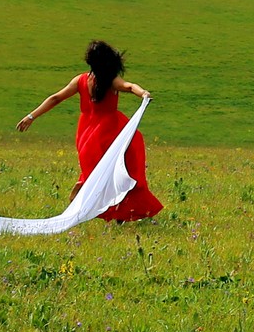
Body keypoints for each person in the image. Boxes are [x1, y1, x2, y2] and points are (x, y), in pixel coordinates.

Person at [15, 40, 164, 223]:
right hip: (110, 129)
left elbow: (56, 98)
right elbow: (129, 86)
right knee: (122, 165)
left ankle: (93, 193)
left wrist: (31, 116)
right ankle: (105, 200)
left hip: (86, 132)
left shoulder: (81, 80)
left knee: (98, 169)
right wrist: (143, 93)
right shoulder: (111, 80)